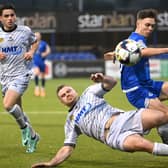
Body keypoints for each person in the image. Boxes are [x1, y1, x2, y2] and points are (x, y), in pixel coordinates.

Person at [32, 72, 168, 167]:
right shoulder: (70, 122)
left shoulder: (89, 92)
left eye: (69, 91)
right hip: (114, 137)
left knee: (163, 115)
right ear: (61, 101)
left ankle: (165, 136)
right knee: (144, 145)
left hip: (124, 119)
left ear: (75, 91)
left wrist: (103, 79)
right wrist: (51, 163)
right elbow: (67, 148)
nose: (67, 95)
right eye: (63, 95)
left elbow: (113, 82)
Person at [104, 8, 168, 144]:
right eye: (147, 25)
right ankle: (158, 128)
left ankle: (154, 121)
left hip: (148, 84)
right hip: (136, 91)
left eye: (152, 26)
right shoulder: (134, 40)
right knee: (165, 115)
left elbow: (127, 51)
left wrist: (115, 53)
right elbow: (141, 52)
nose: (150, 28)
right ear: (138, 23)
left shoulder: (131, 41)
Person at [0, 3, 40, 153]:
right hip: (4, 78)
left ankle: (24, 129)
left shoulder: (25, 31)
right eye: (6, 16)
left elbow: (34, 41)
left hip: (21, 75)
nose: (10, 18)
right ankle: (34, 136)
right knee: (19, 112)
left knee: (8, 105)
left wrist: (31, 52)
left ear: (15, 16)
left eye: (12, 15)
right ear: (0, 18)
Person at [33, 32, 51, 97]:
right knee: (36, 73)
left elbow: (48, 50)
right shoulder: (32, 43)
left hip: (42, 62)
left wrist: (45, 53)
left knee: (43, 76)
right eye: (35, 35)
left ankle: (43, 89)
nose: (37, 36)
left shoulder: (44, 43)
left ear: (40, 36)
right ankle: (37, 88)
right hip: (35, 61)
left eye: (38, 35)